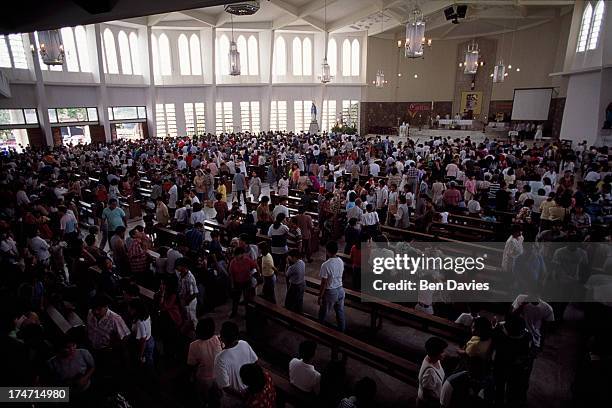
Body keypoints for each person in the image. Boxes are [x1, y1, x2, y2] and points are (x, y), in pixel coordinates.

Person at [214, 322, 258, 405]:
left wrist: (242, 396)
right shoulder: (244, 343)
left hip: (234, 399)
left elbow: (225, 387)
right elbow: (255, 362)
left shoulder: (220, 358)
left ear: (222, 337)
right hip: (249, 389)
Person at [188, 318, 223, 406]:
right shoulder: (218, 339)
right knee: (216, 392)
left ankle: (205, 403)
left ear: (198, 331)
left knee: (203, 394)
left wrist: (191, 376)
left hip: (204, 378)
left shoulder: (194, 345)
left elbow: (191, 364)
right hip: (218, 375)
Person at [318, 241, 346, 332]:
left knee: (323, 313)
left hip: (331, 292)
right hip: (341, 289)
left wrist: (320, 296)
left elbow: (324, 283)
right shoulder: (341, 261)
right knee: (340, 312)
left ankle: (319, 330)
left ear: (327, 251)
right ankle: (342, 331)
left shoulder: (325, 265)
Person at [417, 337, 448, 408]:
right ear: (435, 353)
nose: (445, 354)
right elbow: (427, 395)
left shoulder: (434, 359)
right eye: (442, 352)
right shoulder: (430, 372)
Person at [228, 247, 258, 318]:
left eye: (237, 255)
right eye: (235, 255)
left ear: (242, 254)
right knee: (236, 299)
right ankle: (234, 312)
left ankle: (247, 314)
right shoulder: (233, 262)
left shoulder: (247, 260)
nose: (236, 257)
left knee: (247, 299)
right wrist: (232, 285)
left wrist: (257, 275)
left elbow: (254, 266)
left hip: (246, 282)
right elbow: (231, 275)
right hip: (237, 283)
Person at [128, 298, 155, 368]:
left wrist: (140, 355)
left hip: (145, 345)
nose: (128, 309)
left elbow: (143, 340)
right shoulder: (146, 315)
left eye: (130, 308)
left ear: (136, 309)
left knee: (146, 363)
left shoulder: (140, 322)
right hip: (150, 339)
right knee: (149, 360)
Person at [175, 258, 199, 328]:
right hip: (184, 300)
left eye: (178, 266)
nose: (177, 267)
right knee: (186, 318)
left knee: (192, 318)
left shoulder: (189, 278)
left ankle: (196, 330)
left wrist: (186, 303)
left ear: (184, 266)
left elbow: (193, 294)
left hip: (190, 301)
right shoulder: (180, 274)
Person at [285, 249, 306, 313]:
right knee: (300, 300)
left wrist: (287, 265)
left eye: (290, 257)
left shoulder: (293, 267)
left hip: (295, 286)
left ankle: (292, 314)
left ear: (294, 257)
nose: (289, 258)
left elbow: (286, 274)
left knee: (290, 301)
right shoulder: (302, 262)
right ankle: (300, 312)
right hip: (302, 283)